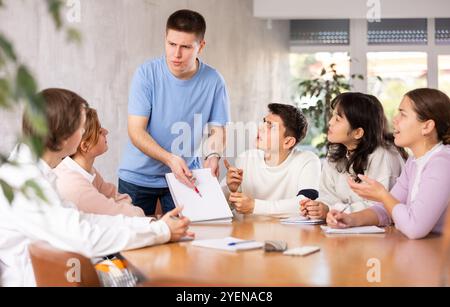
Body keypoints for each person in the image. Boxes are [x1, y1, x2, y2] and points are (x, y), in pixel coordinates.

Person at [0, 88, 193, 286]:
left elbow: (83, 221)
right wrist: (160, 231)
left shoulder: (35, 171)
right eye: (82, 127)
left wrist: (150, 225)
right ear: (65, 136)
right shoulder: (25, 182)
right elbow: (85, 239)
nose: (85, 132)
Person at [118, 9, 230, 216]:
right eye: (171, 44)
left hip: (186, 177)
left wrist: (213, 155)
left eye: (186, 47)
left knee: (188, 243)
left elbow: (218, 130)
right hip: (137, 177)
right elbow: (136, 131)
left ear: (201, 46)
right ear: (165, 39)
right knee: (135, 244)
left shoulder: (214, 81)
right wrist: (170, 159)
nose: (176, 54)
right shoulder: (146, 74)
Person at [327, 88, 450, 240]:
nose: (394, 119)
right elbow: (386, 211)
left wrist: (382, 195)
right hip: (426, 249)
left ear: (427, 126)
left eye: (403, 115)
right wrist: (349, 219)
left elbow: (415, 228)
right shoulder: (414, 161)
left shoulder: (442, 163)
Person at [300, 92, 405, 220]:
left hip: (384, 235)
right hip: (344, 229)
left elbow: (381, 208)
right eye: (332, 116)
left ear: (358, 132)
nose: (330, 122)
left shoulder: (384, 156)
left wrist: (331, 210)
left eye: (337, 119)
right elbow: (326, 193)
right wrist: (319, 207)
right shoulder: (336, 152)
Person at [222, 103, 321, 215]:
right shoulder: (245, 159)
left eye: (270, 126)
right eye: (264, 122)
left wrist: (255, 206)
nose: (261, 127)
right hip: (247, 231)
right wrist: (231, 189)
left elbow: (307, 204)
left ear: (288, 142)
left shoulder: (307, 160)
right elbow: (218, 206)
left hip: (289, 232)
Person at [54, 108, 145, 217]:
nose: (106, 131)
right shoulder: (74, 185)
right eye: (99, 131)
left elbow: (120, 198)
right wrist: (134, 211)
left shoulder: (89, 172)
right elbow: (130, 213)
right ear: (85, 146)